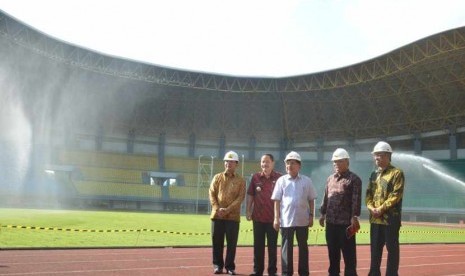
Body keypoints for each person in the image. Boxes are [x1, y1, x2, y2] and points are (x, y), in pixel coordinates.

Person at [271, 151, 317, 276]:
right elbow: (276, 200)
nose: (289, 166)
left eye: (292, 163)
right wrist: (276, 218)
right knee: (286, 249)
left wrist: (311, 216)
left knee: (303, 248)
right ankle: (286, 273)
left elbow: (311, 199)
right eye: (287, 163)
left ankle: (303, 272)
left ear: (299, 166)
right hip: (286, 220)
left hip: (303, 220)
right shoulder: (281, 181)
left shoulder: (306, 181)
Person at [319, 148, 362, 276]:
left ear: (347, 162)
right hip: (331, 224)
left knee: (349, 257)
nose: (336, 164)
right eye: (334, 162)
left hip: (346, 225)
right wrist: (322, 214)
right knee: (333, 255)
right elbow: (326, 197)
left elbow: (356, 200)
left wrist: (354, 216)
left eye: (339, 161)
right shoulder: (330, 179)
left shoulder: (354, 179)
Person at [366, 141, 405, 276]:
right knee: (375, 251)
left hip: (390, 220)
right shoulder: (373, 174)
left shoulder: (397, 173)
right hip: (375, 220)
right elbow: (368, 195)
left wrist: (381, 209)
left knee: (392, 250)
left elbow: (396, 195)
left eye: (380, 155)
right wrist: (371, 208)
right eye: (375, 155)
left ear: (388, 156)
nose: (377, 158)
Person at [209, 150, 246, 275]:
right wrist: (217, 208)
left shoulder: (241, 181)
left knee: (231, 244)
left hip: (233, 217)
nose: (228, 164)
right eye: (226, 162)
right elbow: (212, 193)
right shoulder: (217, 177)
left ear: (237, 164)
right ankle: (218, 266)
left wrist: (227, 210)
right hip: (217, 215)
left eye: (231, 162)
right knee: (217, 242)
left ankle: (230, 267)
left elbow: (240, 198)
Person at [246, 154, 282, 276]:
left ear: (273, 163)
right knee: (258, 247)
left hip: (273, 219)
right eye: (262, 162)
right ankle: (257, 271)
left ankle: (272, 271)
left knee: (272, 247)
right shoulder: (255, 177)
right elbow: (250, 194)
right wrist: (248, 210)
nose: (264, 164)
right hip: (258, 218)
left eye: (267, 162)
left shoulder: (279, 178)